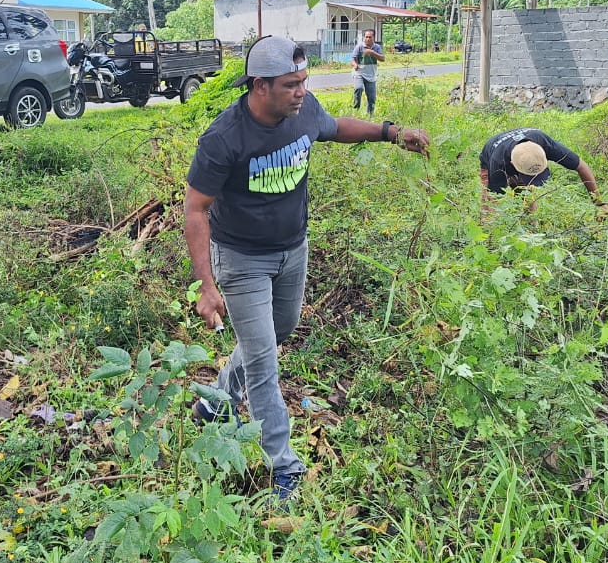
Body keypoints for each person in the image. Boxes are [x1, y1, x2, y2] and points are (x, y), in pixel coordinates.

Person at [183, 35, 429, 500]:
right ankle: (285, 466)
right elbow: (195, 210)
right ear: (259, 86)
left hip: (292, 249)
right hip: (241, 260)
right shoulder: (224, 138)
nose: (302, 91)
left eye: (304, 82)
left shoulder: (304, 111)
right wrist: (206, 285)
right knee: (263, 363)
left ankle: (214, 401)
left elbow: (336, 127)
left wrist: (392, 132)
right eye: (291, 84)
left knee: (279, 332)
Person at [479, 127, 604, 213]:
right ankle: (485, 238)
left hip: (521, 146)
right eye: (528, 176)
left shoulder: (544, 143)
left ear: (544, 153)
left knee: (527, 193)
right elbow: (493, 200)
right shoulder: (498, 162)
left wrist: (599, 203)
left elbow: (581, 166)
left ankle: (530, 228)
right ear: (512, 164)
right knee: (487, 201)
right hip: (490, 152)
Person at [351, 29, 384, 115]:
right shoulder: (359, 47)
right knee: (359, 88)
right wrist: (355, 65)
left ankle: (370, 115)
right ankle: (355, 109)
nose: (368, 39)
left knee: (372, 98)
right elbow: (353, 59)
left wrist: (372, 52)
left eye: (370, 37)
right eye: (366, 37)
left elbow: (382, 59)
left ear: (374, 37)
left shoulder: (377, 47)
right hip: (359, 73)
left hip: (371, 75)